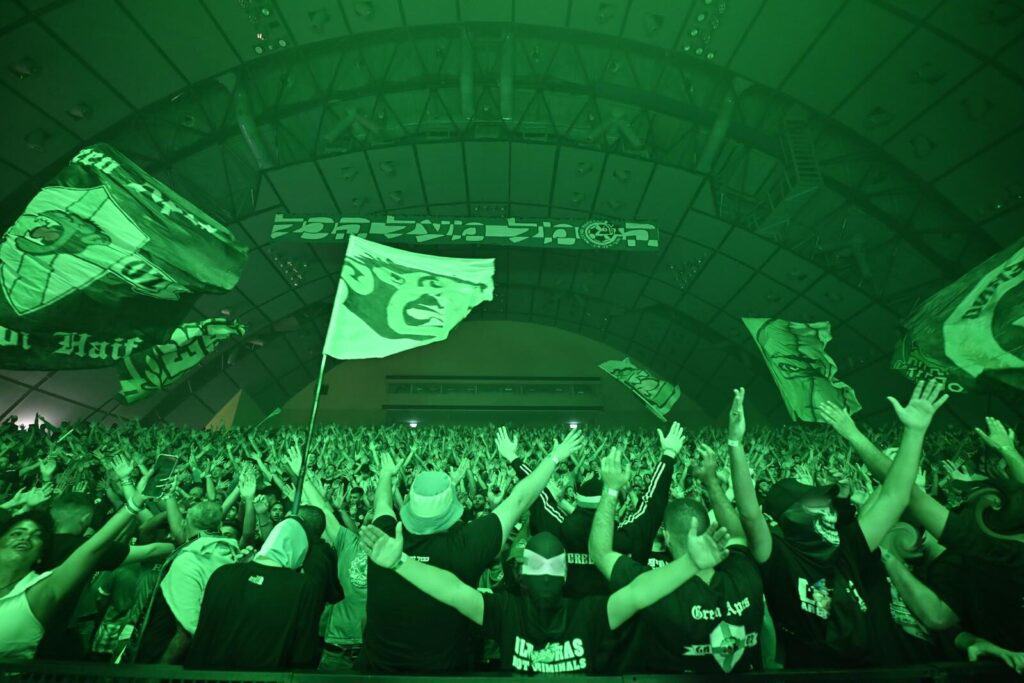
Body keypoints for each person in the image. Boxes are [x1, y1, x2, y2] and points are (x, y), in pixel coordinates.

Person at [728, 382, 948, 668]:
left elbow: (895, 494)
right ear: (790, 518)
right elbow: (749, 515)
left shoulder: (848, 548)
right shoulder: (780, 558)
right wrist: (735, 443)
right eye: (818, 505)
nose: (830, 512)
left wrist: (914, 432)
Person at [361, 514, 731, 674]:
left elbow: (455, 592)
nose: (546, 579)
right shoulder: (590, 613)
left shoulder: (505, 611)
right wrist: (688, 564)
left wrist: (401, 564)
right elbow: (636, 594)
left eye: (546, 569)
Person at [819, 404, 1024, 672]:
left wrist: (856, 435)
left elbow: (938, 616)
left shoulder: (988, 550)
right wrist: (1009, 451)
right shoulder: (996, 552)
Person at [360, 429, 583, 674]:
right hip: (445, 674)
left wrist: (386, 474)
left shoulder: (383, 541)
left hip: (377, 673)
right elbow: (519, 499)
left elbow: (382, 504)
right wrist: (554, 456)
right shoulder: (467, 544)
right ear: (450, 510)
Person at [589, 448, 765, 674]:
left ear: (667, 537)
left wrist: (611, 488)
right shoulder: (746, 575)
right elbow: (738, 535)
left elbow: (600, 553)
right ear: (708, 530)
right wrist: (711, 481)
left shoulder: (655, 591)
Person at [502, 423, 679, 597]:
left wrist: (514, 458)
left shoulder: (560, 530)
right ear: (611, 505)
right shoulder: (627, 537)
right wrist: (668, 455)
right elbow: (652, 503)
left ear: (578, 504)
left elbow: (538, 494)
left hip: (570, 614)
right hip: (618, 615)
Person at [35, 492, 174, 660]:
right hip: (60, 635)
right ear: (86, 519)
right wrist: (180, 543)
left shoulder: (34, 543)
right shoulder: (88, 551)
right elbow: (151, 550)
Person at [0, 497, 141, 661]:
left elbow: (92, 550)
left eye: (36, 536)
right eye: (17, 533)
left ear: (40, 556)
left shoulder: (37, 593)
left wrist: (133, 504)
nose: (25, 538)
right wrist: (16, 505)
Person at [185, 518, 321, 670]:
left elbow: (204, 633)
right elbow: (303, 649)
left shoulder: (222, 573)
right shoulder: (304, 586)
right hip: (267, 677)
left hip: (210, 674)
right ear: (300, 550)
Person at [134, 501, 239, 663]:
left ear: (185, 522)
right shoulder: (228, 553)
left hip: (166, 654)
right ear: (219, 525)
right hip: (210, 652)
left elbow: (187, 629)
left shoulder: (190, 560)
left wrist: (159, 670)